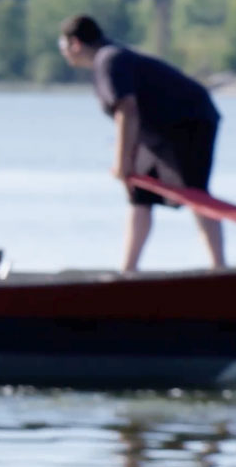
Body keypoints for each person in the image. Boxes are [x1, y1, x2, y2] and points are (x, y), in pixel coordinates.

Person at [59, 14, 226, 273]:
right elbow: (130, 115)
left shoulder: (109, 59)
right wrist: (128, 164)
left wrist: (122, 161)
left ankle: (219, 268)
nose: (63, 53)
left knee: (196, 193)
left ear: (75, 44)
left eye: (62, 46)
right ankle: (128, 271)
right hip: (157, 131)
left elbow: (127, 110)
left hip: (190, 121)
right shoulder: (107, 59)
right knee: (139, 195)